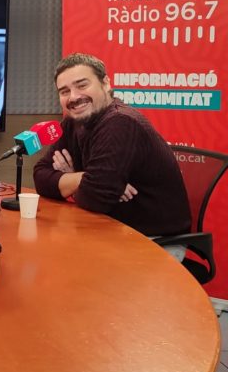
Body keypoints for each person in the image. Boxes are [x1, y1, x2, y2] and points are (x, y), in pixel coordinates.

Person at [33, 53, 190, 237]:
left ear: (106, 83)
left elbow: (95, 199)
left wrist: (80, 182)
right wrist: (82, 177)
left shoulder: (120, 122)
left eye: (82, 85)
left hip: (153, 241)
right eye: (64, 91)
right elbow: (40, 177)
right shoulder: (73, 122)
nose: (73, 97)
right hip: (109, 229)